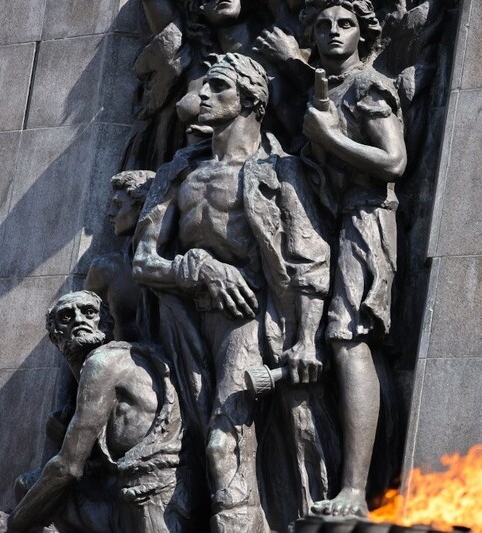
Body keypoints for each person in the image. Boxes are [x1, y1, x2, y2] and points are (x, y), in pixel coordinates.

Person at [132, 53, 332, 532]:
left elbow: (310, 262)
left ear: (251, 99)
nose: (201, 95)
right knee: (186, 452)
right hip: (182, 325)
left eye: (217, 86)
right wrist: (199, 267)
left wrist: (305, 339)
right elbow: (142, 261)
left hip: (250, 321)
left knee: (225, 442)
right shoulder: (178, 173)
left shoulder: (280, 172)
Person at [299, 0, 407, 517]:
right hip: (332, 217)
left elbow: (394, 161)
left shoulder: (369, 86)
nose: (333, 33)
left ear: (363, 33)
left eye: (344, 24)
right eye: (323, 25)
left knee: (347, 341)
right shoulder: (326, 85)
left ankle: (355, 493)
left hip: (366, 218)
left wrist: (330, 139)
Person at [0, 291, 194, 532]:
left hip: (153, 508)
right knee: (29, 486)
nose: (79, 320)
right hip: (146, 498)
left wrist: (12, 523)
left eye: (89, 312)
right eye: (66, 316)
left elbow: (68, 467)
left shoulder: (103, 362)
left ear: (105, 323)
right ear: (55, 335)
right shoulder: (118, 361)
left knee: (34, 511)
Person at [84, 170, 155, 342]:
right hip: (119, 363)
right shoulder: (105, 268)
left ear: (142, 207)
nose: (110, 212)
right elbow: (82, 333)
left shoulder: (177, 265)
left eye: (118, 204)